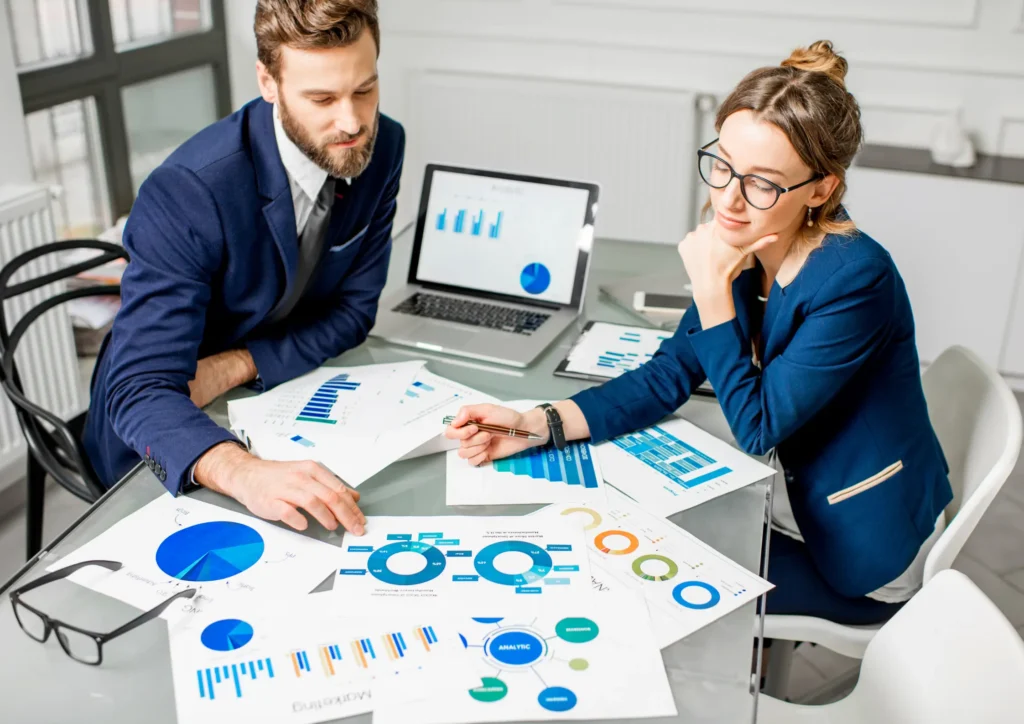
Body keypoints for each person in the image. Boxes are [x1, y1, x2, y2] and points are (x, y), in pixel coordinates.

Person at [447, 41, 953, 624]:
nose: (729, 200)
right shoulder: (748, 241)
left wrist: (713, 294)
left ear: (821, 189)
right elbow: (669, 375)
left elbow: (758, 426)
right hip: (787, 498)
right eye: (723, 165)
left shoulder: (855, 279)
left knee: (634, 595)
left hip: (862, 548)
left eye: (762, 183)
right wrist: (539, 423)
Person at [83, 0, 405, 536]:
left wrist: (237, 365)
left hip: (276, 394)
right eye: (322, 98)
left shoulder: (381, 145)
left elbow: (354, 313)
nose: (351, 122)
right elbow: (139, 388)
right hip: (171, 429)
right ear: (268, 81)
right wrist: (241, 470)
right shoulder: (189, 189)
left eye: (364, 90)